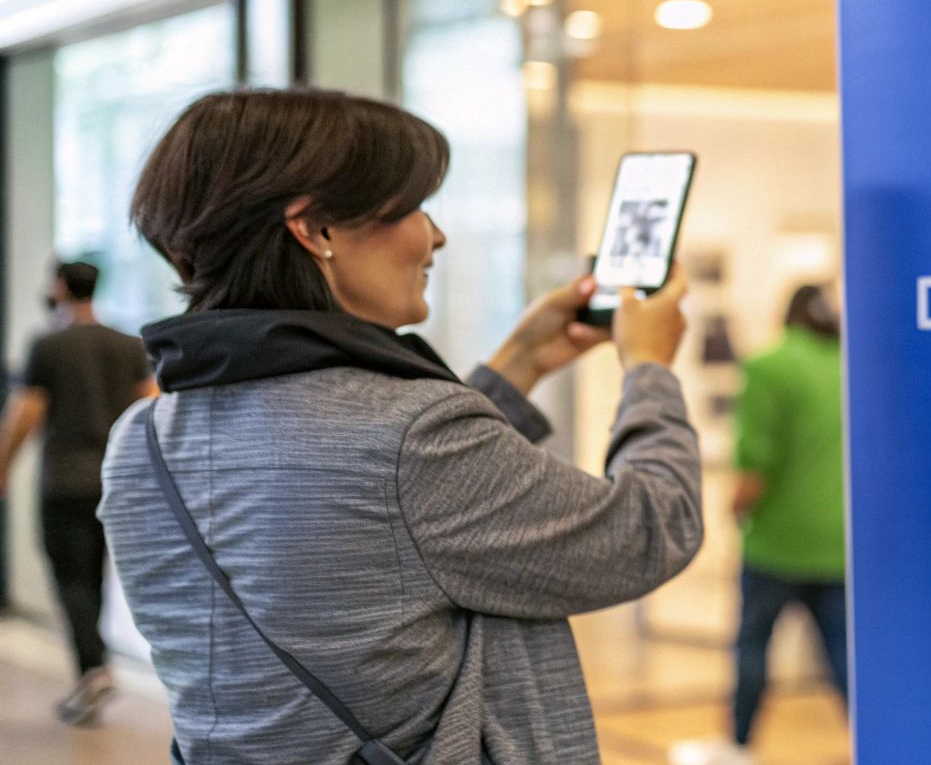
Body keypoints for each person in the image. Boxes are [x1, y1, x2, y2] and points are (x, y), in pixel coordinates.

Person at [97, 89, 703, 764]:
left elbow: (384, 521)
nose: (435, 236)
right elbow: (652, 529)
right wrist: (649, 366)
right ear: (317, 229)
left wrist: (521, 362)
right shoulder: (409, 436)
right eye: (414, 206)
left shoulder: (140, 440)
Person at [677, 285, 847, 765]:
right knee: (843, 654)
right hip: (837, 542)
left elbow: (757, 462)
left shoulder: (769, 366)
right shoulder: (845, 367)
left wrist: (734, 508)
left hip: (778, 541)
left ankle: (737, 747)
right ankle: (875, 740)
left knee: (753, 645)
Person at [0, 260, 155, 725]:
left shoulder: (49, 345)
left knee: (73, 578)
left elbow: (26, 412)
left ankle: (93, 668)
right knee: (101, 575)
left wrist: (2, 467)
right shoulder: (129, 344)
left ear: (61, 287)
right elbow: (151, 406)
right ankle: (97, 665)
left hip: (65, 481)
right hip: (118, 482)